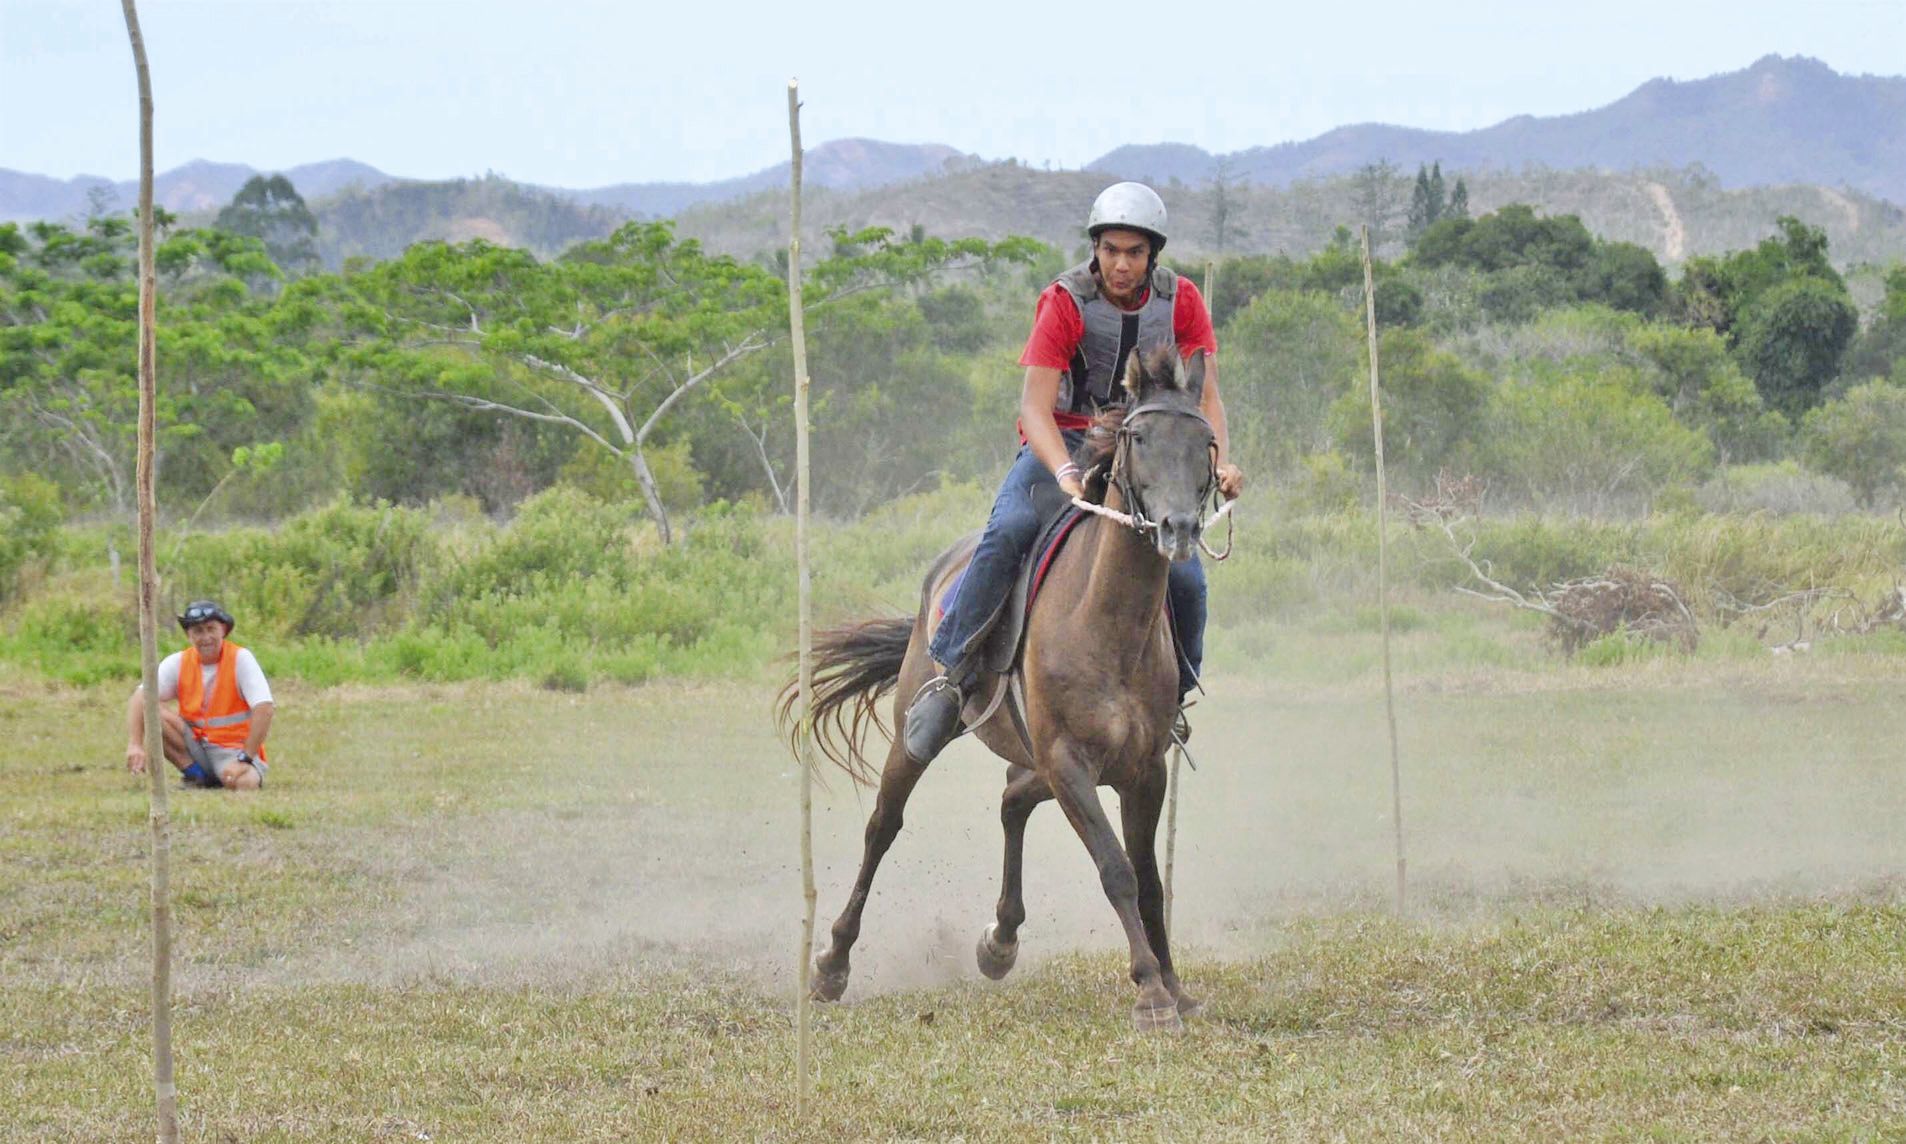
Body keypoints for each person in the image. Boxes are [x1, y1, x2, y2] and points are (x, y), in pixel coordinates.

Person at [903, 182, 1245, 764]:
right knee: (1010, 530)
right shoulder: (1063, 301)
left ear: (1152, 255)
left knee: (1186, 576)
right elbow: (1033, 407)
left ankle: (1175, 697)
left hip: (1143, 448)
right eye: (1111, 250)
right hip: (1061, 442)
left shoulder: (1181, 300)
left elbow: (1205, 398)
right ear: (1095, 248)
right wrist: (1063, 471)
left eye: (1134, 252)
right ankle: (950, 674)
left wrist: (1220, 463)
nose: (1121, 264)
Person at [125, 600, 275, 790]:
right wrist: (135, 744)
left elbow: (264, 708)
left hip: (232, 748)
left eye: (211, 629)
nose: (206, 637)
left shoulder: (241, 659)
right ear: (189, 635)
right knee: (152, 712)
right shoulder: (178, 662)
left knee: (245, 783)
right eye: (198, 631)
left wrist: (246, 757)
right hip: (195, 744)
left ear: (223, 630)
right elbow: (141, 696)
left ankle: (227, 775)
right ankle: (197, 776)